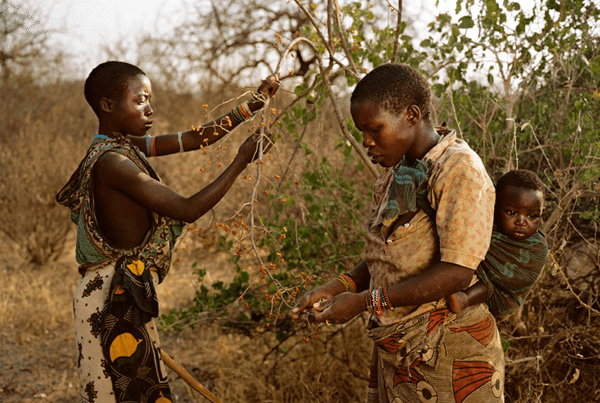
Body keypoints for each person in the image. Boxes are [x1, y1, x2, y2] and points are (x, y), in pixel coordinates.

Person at [56, 61, 279, 403]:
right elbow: (186, 209)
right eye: (140, 100)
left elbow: (195, 138)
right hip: (107, 300)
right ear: (107, 106)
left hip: (123, 295)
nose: (150, 108)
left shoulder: (125, 146)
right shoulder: (113, 162)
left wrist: (253, 103)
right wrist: (241, 161)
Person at [291, 63, 505, 402]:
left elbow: (457, 273)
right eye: (362, 132)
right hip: (398, 350)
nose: (366, 142)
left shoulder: (459, 169)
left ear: (412, 115)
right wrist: (336, 287)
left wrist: (365, 302)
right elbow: (385, 258)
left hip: (448, 353)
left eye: (374, 129)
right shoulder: (396, 172)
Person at [447, 169, 549, 317]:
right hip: (472, 271)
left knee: (485, 287)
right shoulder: (484, 223)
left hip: (498, 295)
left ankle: (464, 299)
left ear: (541, 213)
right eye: (512, 213)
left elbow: (517, 281)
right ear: (494, 206)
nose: (521, 222)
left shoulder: (537, 247)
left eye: (532, 216)